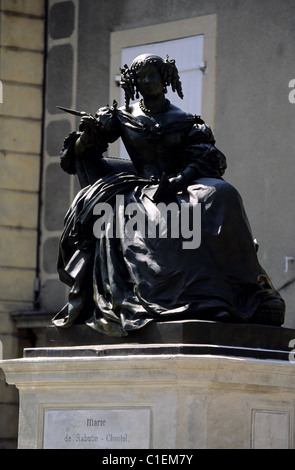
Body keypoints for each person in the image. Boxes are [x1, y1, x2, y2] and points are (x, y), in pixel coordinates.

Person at [53, 53, 285, 336]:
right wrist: (88, 135)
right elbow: (80, 155)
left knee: (224, 193)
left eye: (153, 75)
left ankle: (249, 286)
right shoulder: (121, 116)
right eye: (142, 77)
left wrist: (178, 181)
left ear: (166, 79)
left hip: (180, 183)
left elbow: (206, 160)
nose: (148, 81)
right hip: (138, 186)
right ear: (134, 83)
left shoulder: (186, 120)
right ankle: (164, 294)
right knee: (151, 214)